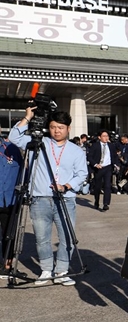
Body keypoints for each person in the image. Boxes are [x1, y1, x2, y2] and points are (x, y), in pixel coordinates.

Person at [9, 109, 88, 286]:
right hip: (39, 198)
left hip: (65, 198)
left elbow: (82, 174)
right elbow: (14, 137)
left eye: (60, 127)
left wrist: (67, 186)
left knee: (66, 237)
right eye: (52, 127)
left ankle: (61, 270)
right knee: (41, 237)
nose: (56, 131)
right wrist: (27, 117)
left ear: (68, 128)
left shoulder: (76, 151)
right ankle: (46, 269)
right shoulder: (37, 143)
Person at [0, 130, 23, 278]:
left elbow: (22, 172)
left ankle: (7, 265)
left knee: (9, 233)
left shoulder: (12, 148)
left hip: (9, 198)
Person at [88, 130, 116, 211]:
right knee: (98, 187)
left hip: (108, 168)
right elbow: (89, 157)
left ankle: (106, 204)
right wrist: (96, 164)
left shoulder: (111, 145)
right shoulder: (95, 146)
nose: (106, 138)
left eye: (107, 136)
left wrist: (115, 164)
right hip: (99, 168)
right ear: (99, 137)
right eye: (104, 136)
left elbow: (114, 156)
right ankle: (96, 201)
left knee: (107, 186)